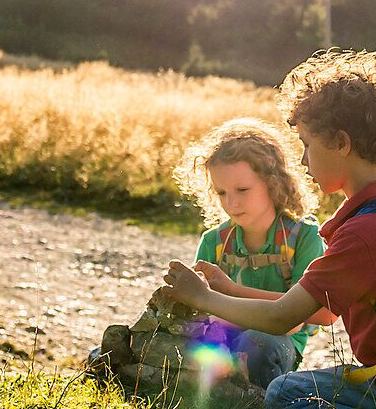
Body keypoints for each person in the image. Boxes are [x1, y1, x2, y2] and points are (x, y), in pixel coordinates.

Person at [163, 50, 376, 409]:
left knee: (284, 394)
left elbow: (285, 317)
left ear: (340, 142)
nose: (302, 160)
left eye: (307, 144)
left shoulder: (364, 235)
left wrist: (201, 297)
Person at [92, 117, 330, 394]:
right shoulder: (214, 241)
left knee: (256, 344)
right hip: (221, 333)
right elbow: (200, 311)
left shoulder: (304, 237)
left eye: (242, 190)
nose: (232, 202)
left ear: (273, 182)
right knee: (160, 344)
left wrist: (231, 290)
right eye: (221, 192)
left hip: (276, 339)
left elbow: (323, 314)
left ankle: (235, 392)